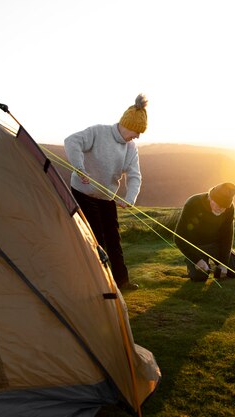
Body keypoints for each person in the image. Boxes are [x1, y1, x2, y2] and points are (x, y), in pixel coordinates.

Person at [64, 94, 148, 291]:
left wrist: (129, 198)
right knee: (96, 239)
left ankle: (122, 282)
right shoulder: (99, 132)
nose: (137, 136)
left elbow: (135, 175)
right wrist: (79, 168)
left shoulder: (130, 148)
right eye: (137, 131)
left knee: (113, 239)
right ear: (126, 125)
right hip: (83, 193)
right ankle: (99, 284)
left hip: (106, 197)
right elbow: (71, 141)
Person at [174, 182, 235, 282]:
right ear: (210, 198)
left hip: (216, 244)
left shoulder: (229, 209)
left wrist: (223, 263)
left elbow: (227, 236)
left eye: (224, 207)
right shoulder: (193, 203)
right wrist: (197, 260)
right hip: (196, 246)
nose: (220, 210)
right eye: (218, 205)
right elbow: (178, 237)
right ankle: (193, 264)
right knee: (199, 277)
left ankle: (234, 260)